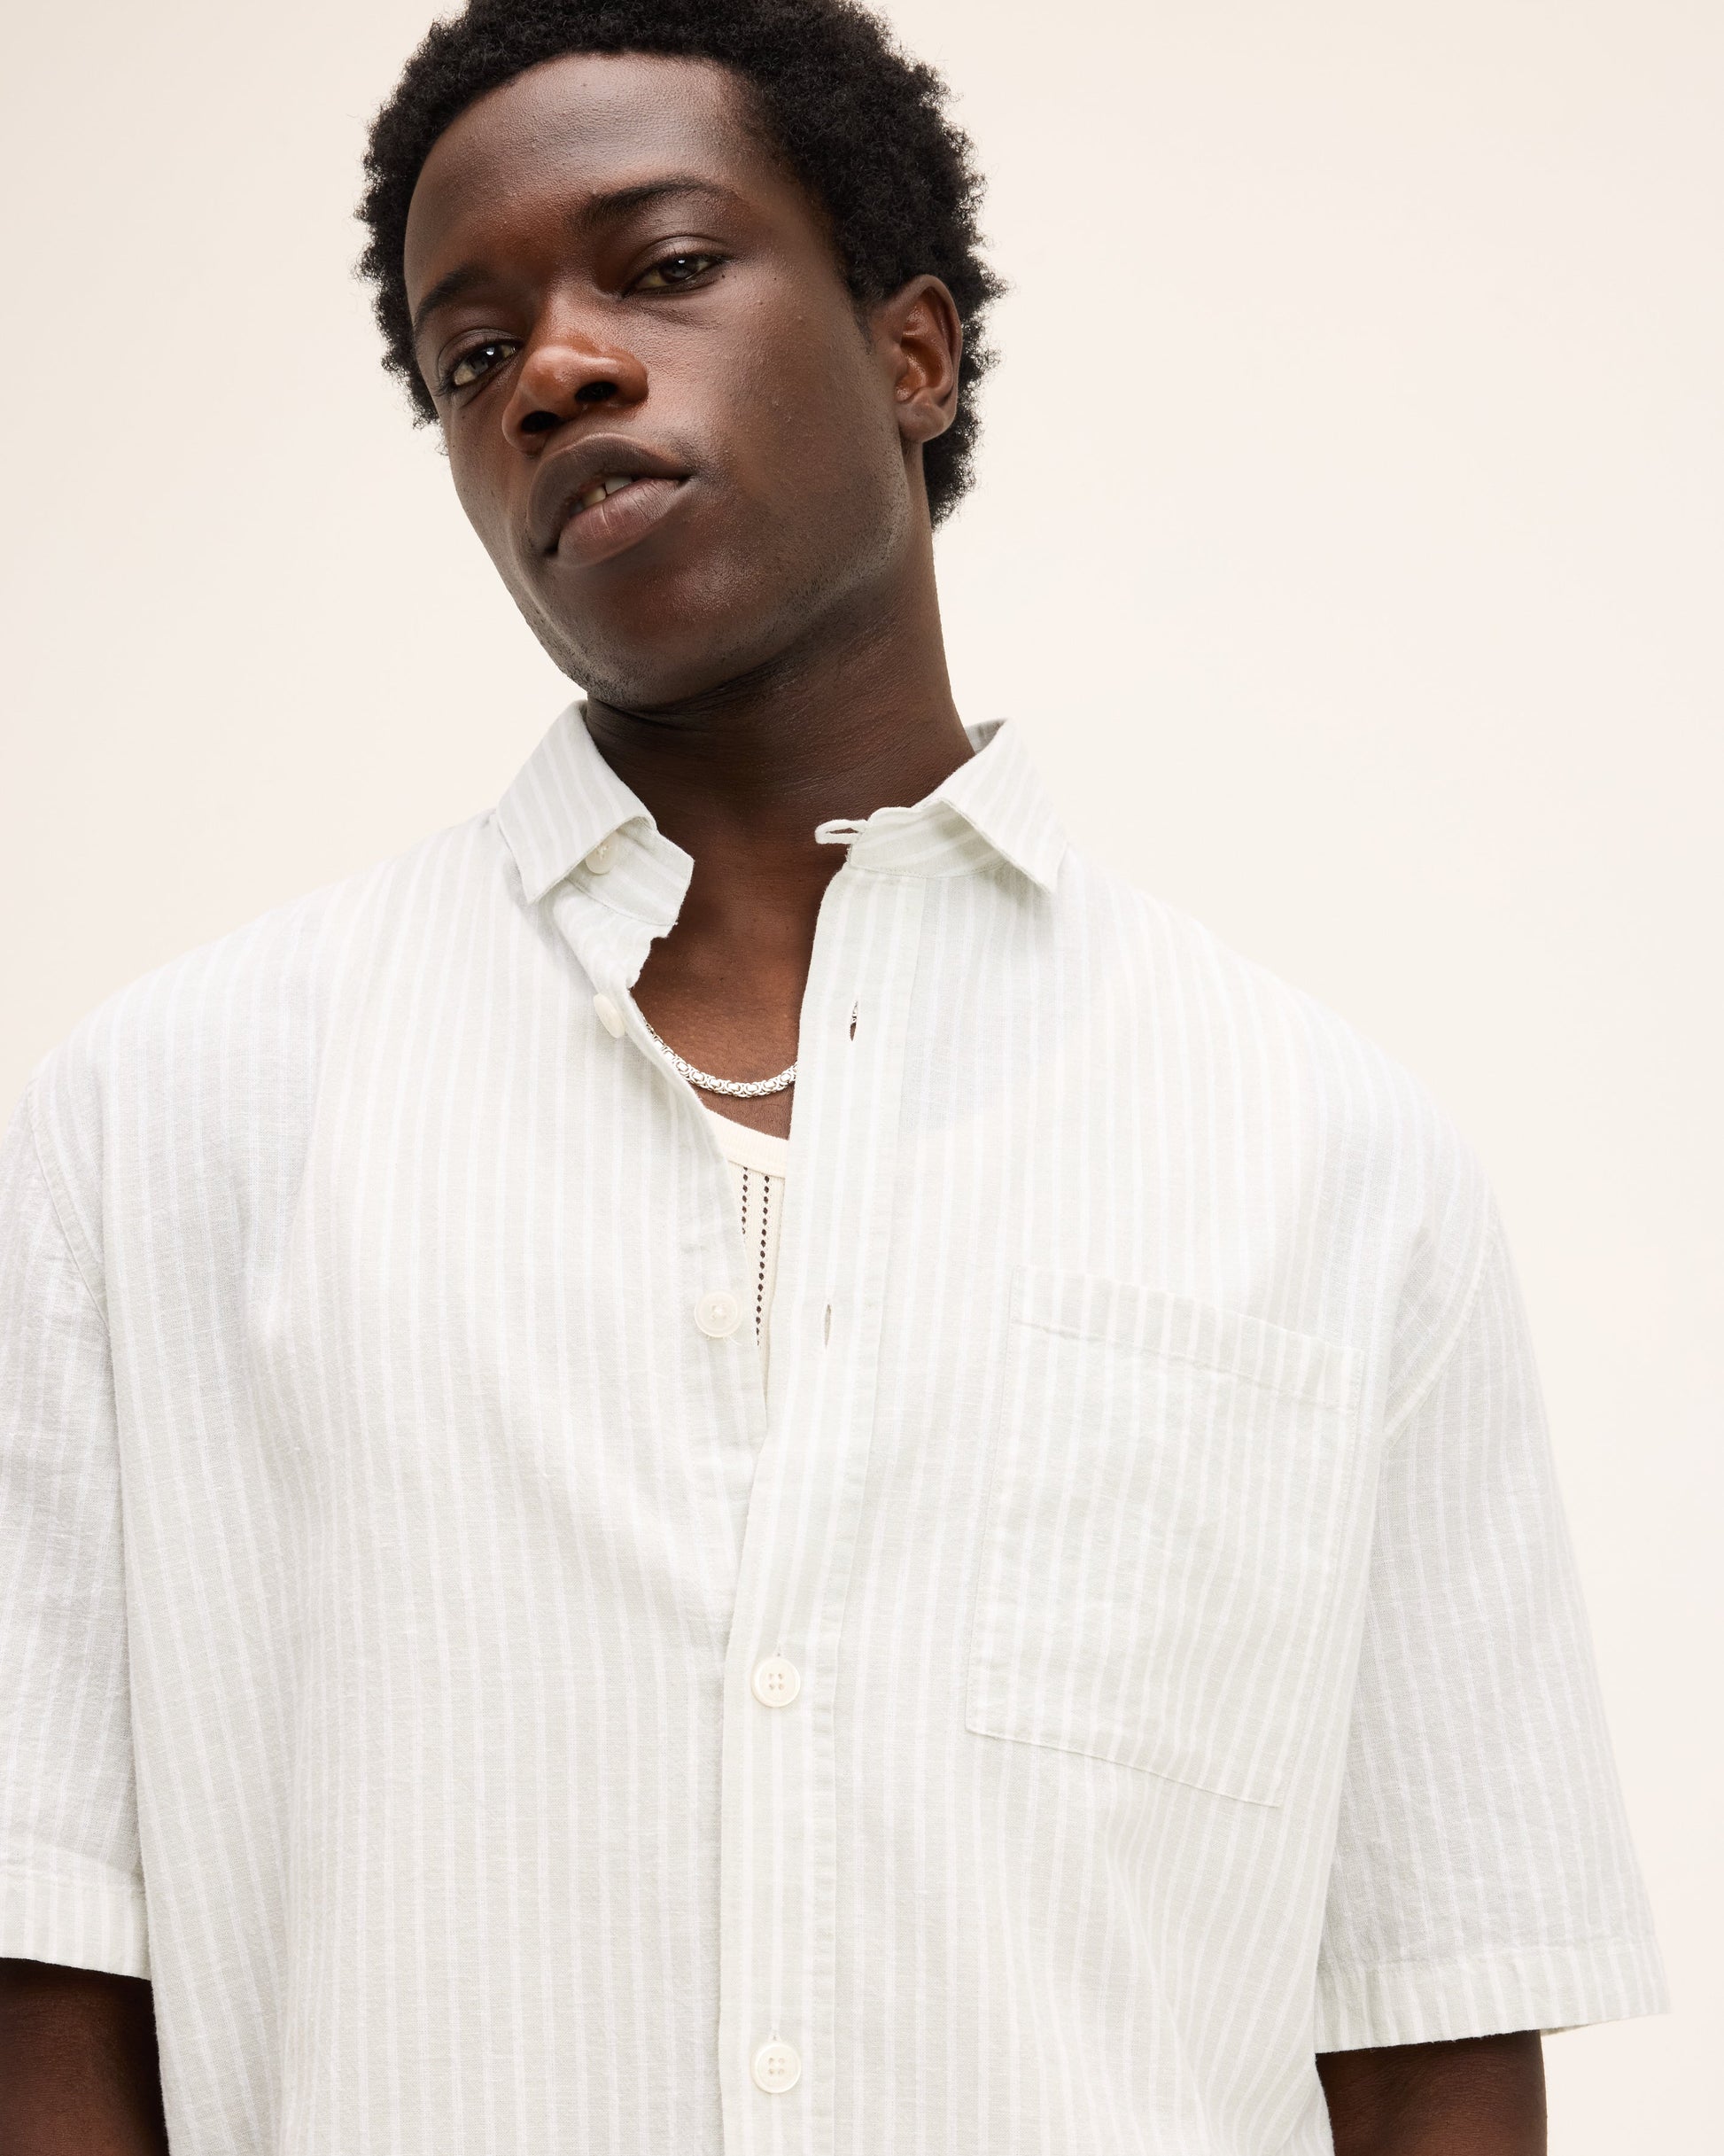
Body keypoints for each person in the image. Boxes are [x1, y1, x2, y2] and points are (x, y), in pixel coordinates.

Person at [0, 2, 1666, 2151]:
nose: (555, 370)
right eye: (471, 354)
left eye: (665, 265)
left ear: (912, 352)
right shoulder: (161, 1123)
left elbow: (1430, 2024)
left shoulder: (1331, 1161)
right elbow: (55, 1971)